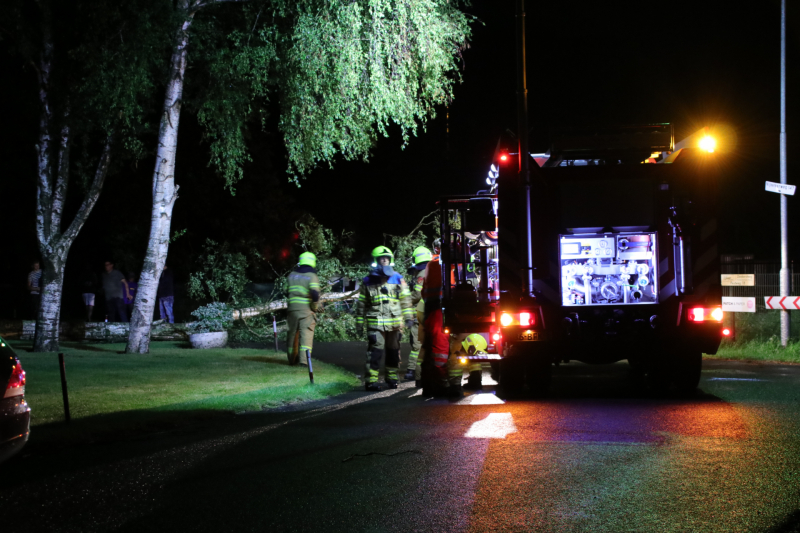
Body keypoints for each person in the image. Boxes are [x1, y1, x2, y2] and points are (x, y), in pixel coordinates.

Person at [356, 246, 413, 391]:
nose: (384, 261)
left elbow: (405, 300)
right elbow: (362, 303)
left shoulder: (398, 278)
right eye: (382, 258)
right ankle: (371, 381)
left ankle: (392, 378)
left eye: (387, 258)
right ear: (376, 260)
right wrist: (359, 323)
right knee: (375, 352)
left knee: (393, 352)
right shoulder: (368, 280)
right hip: (375, 324)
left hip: (395, 324)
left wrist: (409, 317)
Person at [286, 252, 321, 366]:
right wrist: (315, 307)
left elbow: (285, 291)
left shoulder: (291, 275)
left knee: (292, 334)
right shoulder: (311, 276)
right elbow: (315, 293)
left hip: (292, 309)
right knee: (306, 334)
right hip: (306, 311)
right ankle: (304, 361)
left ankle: (292, 360)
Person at [404, 246, 432, 381]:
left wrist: (404, 301)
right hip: (431, 312)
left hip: (420, 312)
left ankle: (412, 370)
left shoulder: (421, 274)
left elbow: (416, 294)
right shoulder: (433, 270)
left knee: (417, 343)